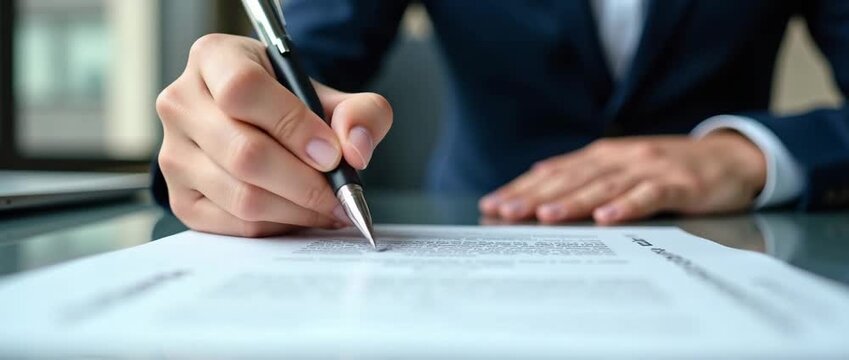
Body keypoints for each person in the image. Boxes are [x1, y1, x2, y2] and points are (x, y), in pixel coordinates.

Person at [152, 0, 849, 237]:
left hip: (730, 250)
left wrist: (753, 153)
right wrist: (226, 124)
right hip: (479, 237)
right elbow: (309, 55)